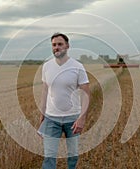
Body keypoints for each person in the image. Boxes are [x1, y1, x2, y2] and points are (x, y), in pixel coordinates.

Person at [38, 32, 90, 169]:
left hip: (73, 118)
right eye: (54, 45)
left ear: (67, 46)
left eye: (60, 44)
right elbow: (45, 90)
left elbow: (86, 94)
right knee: (49, 156)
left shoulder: (77, 66)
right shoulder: (46, 66)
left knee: (72, 154)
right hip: (51, 118)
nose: (57, 47)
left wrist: (82, 118)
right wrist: (42, 113)